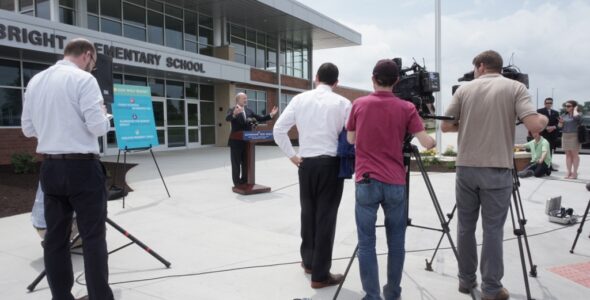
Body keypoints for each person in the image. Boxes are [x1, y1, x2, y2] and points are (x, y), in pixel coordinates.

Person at [441, 50, 547, 300]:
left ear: (480, 66)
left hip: (466, 168)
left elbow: (446, 125)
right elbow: (534, 125)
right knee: (492, 230)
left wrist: (467, 121)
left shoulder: (464, 90)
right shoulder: (515, 88)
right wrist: (541, 117)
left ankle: (465, 281)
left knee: (465, 227)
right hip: (497, 168)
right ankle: (491, 288)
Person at [21, 38, 114, 300]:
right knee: (93, 237)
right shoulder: (84, 80)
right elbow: (97, 127)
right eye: (93, 63)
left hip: (50, 167)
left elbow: (28, 129)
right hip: (82, 168)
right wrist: (105, 116)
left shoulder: (36, 81)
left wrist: (54, 129)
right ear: (87, 55)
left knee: (55, 240)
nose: (92, 68)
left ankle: (61, 297)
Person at [346, 59, 436, 300]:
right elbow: (427, 143)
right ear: (396, 81)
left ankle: (372, 296)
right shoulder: (407, 108)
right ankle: (393, 294)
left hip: (365, 180)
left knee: (366, 244)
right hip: (395, 182)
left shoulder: (359, 104)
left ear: (373, 78)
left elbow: (351, 140)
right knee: (396, 243)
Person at [273, 62, 351, 289]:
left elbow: (278, 130)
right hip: (331, 164)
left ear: (316, 77)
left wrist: (292, 155)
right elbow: (353, 135)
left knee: (308, 214)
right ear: (336, 82)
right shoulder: (344, 103)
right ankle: (320, 275)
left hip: (305, 164)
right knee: (325, 218)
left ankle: (308, 262)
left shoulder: (299, 99)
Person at [226, 92, 277, 187]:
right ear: (238, 100)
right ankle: (237, 183)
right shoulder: (232, 110)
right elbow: (227, 118)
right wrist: (234, 114)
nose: (246, 100)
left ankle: (244, 181)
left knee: (245, 163)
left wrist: (271, 115)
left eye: (246, 98)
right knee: (236, 164)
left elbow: (260, 118)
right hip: (236, 142)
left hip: (247, 142)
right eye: (244, 98)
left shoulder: (249, 111)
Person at [558, 100, 582, 179]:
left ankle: (575, 173)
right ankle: (568, 172)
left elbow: (577, 119)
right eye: (566, 106)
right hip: (565, 136)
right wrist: (561, 122)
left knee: (575, 155)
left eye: (568, 106)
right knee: (568, 155)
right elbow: (560, 126)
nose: (566, 107)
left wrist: (575, 110)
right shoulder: (564, 115)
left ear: (573, 107)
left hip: (574, 136)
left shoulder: (577, 114)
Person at [536, 97, 560, 168]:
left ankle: (549, 166)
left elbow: (558, 123)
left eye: (550, 103)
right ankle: (541, 166)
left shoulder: (556, 112)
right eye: (547, 103)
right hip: (543, 133)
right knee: (543, 150)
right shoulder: (539, 111)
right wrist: (546, 128)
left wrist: (553, 127)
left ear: (552, 104)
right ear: (544, 103)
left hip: (552, 134)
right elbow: (537, 121)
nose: (549, 104)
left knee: (550, 150)